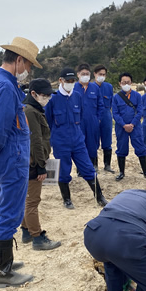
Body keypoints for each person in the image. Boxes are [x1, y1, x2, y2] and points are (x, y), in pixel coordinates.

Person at [0, 37, 37, 288]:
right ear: (19, 60)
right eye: (28, 66)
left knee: (2, 209)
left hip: (4, 157)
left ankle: (5, 262)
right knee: (10, 212)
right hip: (11, 158)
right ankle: (3, 272)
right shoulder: (7, 87)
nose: (28, 72)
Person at [46, 67, 108, 209]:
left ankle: (99, 197)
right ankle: (67, 199)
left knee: (88, 168)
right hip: (60, 142)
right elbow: (48, 121)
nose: (71, 83)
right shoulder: (53, 99)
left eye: (73, 80)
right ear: (60, 81)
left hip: (78, 140)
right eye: (68, 81)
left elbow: (79, 117)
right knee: (63, 171)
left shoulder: (77, 96)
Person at [19, 79, 61, 251]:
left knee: (26, 199)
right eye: (45, 95)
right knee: (32, 201)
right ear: (34, 94)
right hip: (33, 163)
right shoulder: (30, 111)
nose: (48, 98)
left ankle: (26, 231)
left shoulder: (33, 109)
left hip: (30, 161)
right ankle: (37, 237)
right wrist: (41, 166)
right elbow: (35, 140)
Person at [112, 72, 146, 181]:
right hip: (121, 127)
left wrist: (132, 124)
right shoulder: (116, 97)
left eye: (128, 82)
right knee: (121, 148)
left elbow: (140, 111)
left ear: (131, 83)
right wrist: (124, 125)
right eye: (124, 82)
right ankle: (121, 172)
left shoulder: (137, 96)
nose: (126, 84)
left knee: (140, 147)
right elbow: (115, 113)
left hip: (135, 127)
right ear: (120, 83)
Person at [74, 63, 104, 169]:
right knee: (80, 145)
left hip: (92, 121)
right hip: (78, 122)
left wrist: (98, 119)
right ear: (78, 74)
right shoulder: (74, 88)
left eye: (87, 73)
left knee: (93, 144)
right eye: (83, 74)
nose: (85, 76)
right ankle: (80, 169)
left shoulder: (95, 88)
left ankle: (93, 166)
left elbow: (101, 105)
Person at [94, 64, 115, 173]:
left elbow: (111, 103)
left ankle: (107, 165)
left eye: (104, 74)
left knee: (107, 142)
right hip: (95, 116)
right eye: (100, 74)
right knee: (94, 142)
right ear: (94, 74)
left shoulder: (109, 87)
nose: (102, 76)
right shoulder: (90, 86)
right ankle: (95, 166)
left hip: (106, 116)